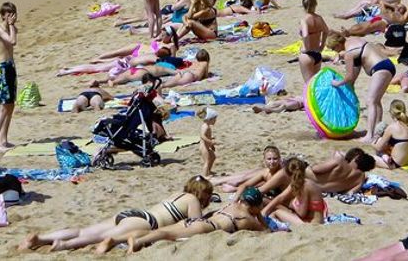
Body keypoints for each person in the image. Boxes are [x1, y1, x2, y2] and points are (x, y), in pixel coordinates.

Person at [20, 176, 214, 252]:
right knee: (98, 237)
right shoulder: (193, 200)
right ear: (203, 193)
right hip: (148, 221)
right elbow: (195, 225)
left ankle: (42, 238)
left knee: (83, 230)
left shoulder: (177, 194)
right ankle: (64, 245)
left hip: (133, 212)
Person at [125, 186, 268, 251]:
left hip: (197, 221)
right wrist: (259, 215)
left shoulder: (230, 205)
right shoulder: (247, 217)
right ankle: (138, 241)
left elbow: (209, 214)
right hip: (207, 227)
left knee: (163, 230)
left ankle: (127, 238)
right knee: (168, 234)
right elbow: (265, 231)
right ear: (254, 206)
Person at [327, 34, 396, 141]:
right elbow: (354, 74)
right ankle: (378, 131)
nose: (334, 51)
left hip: (380, 68)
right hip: (388, 65)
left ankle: (369, 135)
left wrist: (337, 83)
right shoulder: (355, 40)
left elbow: (349, 77)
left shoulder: (349, 54)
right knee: (376, 101)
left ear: (338, 44)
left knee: (371, 101)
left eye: (333, 48)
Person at [263, 157, 326, 225]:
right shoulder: (303, 183)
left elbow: (301, 213)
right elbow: (280, 197)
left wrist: (291, 203)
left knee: (277, 213)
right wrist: (265, 211)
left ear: (288, 175)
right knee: (273, 210)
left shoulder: (305, 186)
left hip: (312, 223)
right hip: (310, 219)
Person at [0, 1, 18, 151]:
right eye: (8, 15)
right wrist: (11, 26)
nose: (11, 17)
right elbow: (12, 41)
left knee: (11, 105)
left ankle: (3, 139)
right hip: (2, 68)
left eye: (13, 14)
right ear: (3, 15)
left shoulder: (13, 29)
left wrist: (13, 26)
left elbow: (14, 39)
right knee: (4, 107)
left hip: (11, 67)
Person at [211, 145, 284, 192]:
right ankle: (221, 179)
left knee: (247, 177)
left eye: (275, 159)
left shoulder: (280, 173)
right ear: (264, 160)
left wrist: (235, 189)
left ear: (279, 159)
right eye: (269, 159)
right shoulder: (268, 170)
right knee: (253, 173)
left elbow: (263, 187)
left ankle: (221, 180)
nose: (272, 161)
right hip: (267, 175)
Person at [375, 100, 408, 168]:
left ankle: (385, 157)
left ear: (391, 112)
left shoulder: (392, 127)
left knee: (370, 158)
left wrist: (375, 140)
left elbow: (378, 147)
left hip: (396, 164)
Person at [298, 0, 329, 83]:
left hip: (307, 54)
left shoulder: (304, 19)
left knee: (308, 84)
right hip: (317, 52)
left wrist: (307, 48)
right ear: (315, 5)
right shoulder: (319, 18)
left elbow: (305, 35)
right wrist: (322, 45)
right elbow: (326, 31)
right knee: (316, 83)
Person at [198, 108, 217, 176]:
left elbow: (207, 136)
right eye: (214, 119)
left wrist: (211, 145)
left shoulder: (208, 126)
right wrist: (211, 142)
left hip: (207, 146)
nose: (215, 121)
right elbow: (202, 136)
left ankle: (208, 171)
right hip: (204, 147)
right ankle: (204, 176)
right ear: (210, 119)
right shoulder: (205, 126)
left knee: (213, 157)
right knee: (207, 161)